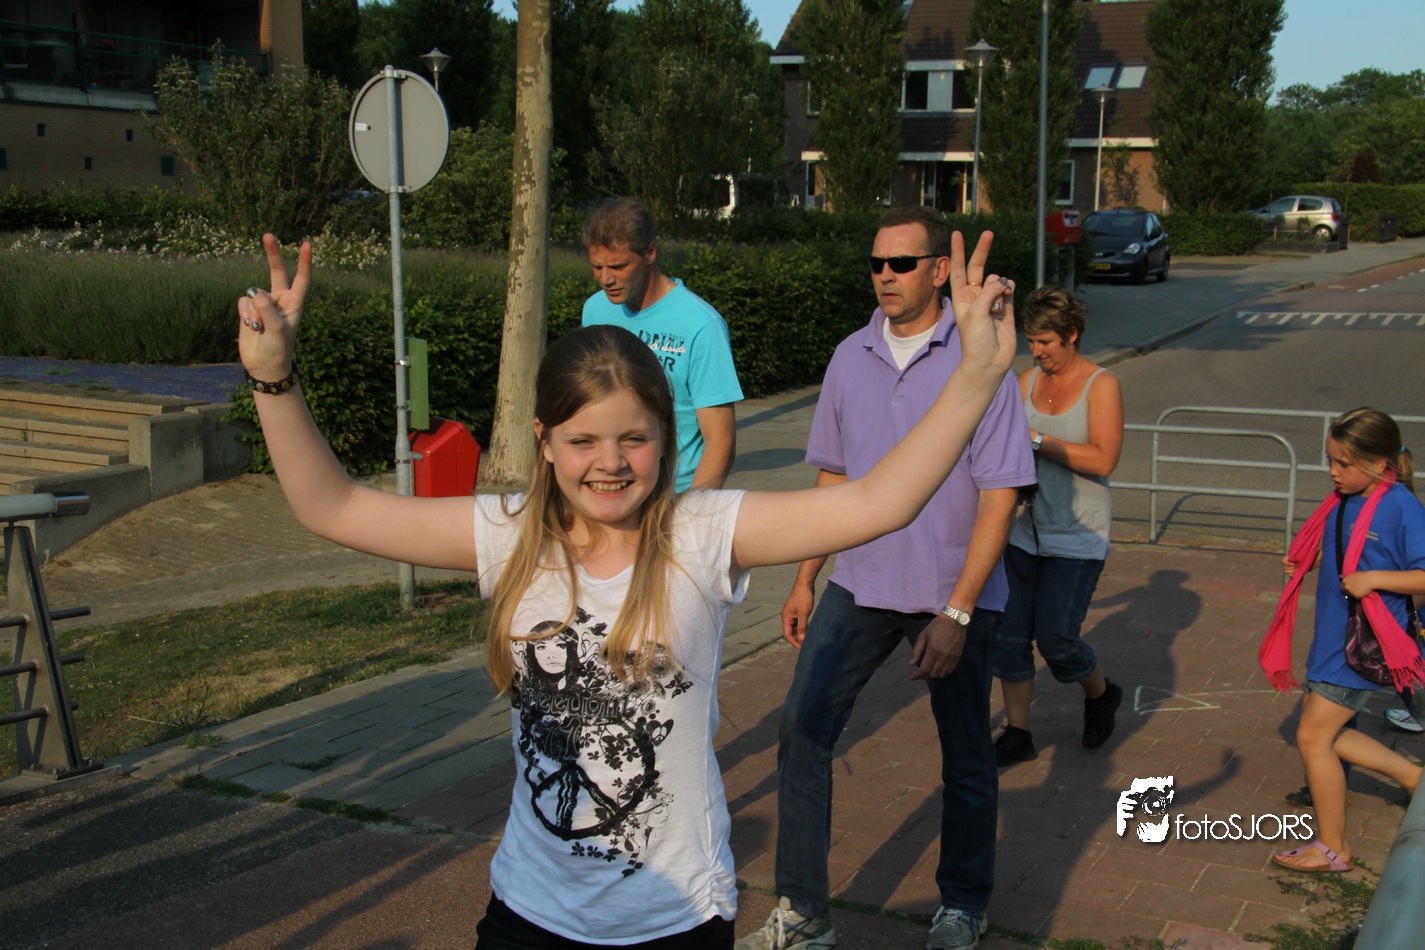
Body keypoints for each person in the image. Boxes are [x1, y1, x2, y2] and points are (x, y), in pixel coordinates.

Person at [236, 231, 1018, 947]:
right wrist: (273, 379)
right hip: (529, 913)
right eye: (581, 440)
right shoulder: (508, 533)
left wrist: (978, 373)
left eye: (633, 439)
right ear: (544, 442)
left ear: (664, 439)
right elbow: (330, 506)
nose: (608, 463)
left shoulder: (703, 533)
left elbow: (879, 502)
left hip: (674, 919)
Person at [738, 208, 1035, 950]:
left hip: (953, 595)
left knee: (966, 757)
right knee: (801, 731)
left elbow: (1000, 495)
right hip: (860, 584)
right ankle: (804, 913)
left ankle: (962, 905)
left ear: (940, 270)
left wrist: (957, 614)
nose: (884, 276)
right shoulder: (850, 355)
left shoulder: (981, 358)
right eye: (876, 263)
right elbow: (834, 474)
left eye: (901, 263)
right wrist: (805, 578)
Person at [1260, 408, 1425, 873]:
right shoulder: (1345, 497)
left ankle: (1334, 849)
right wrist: (1309, 562)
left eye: (1343, 463)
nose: (1333, 471)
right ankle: (1414, 778)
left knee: (1313, 736)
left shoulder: (1402, 507)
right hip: (1333, 636)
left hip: (1364, 644)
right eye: (1330, 459)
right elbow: (1344, 550)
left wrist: (1374, 579)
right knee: (1325, 735)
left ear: (1379, 463)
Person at [991, 286, 1125, 767]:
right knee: (1009, 637)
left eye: (1046, 341)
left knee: (1057, 640)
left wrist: (1036, 439)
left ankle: (1101, 694)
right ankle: (1018, 732)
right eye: (1031, 341)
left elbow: (1104, 459)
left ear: (1072, 334)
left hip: (1077, 535)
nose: (1037, 351)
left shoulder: (1101, 384)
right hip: (1024, 531)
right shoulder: (1025, 381)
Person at [581, 196, 743, 492]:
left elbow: (721, 440)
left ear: (650, 252)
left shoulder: (701, 325)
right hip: (611, 490)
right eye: (597, 266)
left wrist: (695, 511)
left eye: (618, 266)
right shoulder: (594, 311)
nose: (605, 279)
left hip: (674, 496)